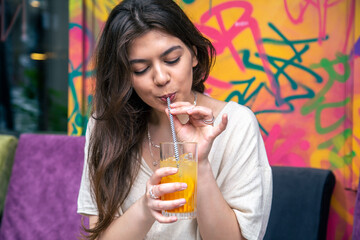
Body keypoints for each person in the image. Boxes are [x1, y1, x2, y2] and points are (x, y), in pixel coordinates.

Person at [77, 0, 272, 239]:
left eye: (172, 60)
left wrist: (199, 164)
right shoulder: (105, 125)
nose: (160, 78)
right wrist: (147, 207)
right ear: (125, 76)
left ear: (193, 55)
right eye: (140, 69)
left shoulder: (236, 124)